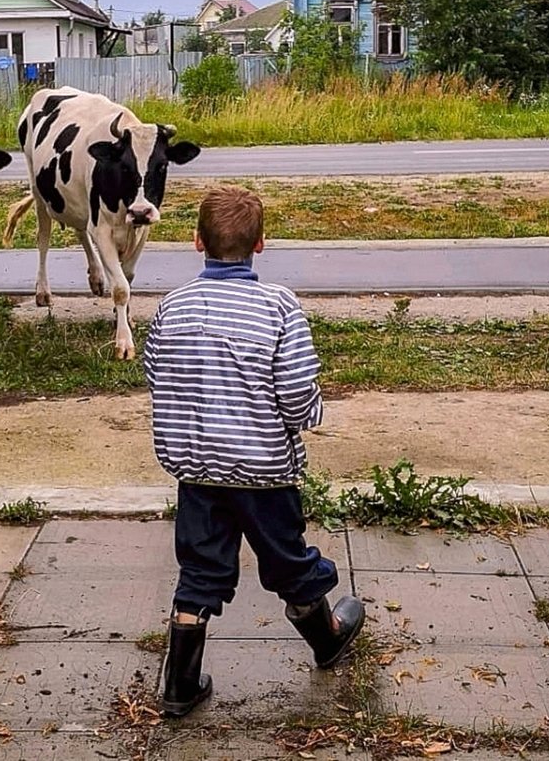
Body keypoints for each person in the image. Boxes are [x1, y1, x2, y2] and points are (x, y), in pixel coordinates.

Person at [143, 184, 365, 718]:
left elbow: (158, 376)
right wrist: (307, 415)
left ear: (196, 241)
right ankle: (326, 636)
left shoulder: (173, 307)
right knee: (287, 560)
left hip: (198, 470)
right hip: (264, 472)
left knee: (199, 569)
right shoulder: (278, 307)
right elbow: (294, 391)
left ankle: (179, 683)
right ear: (261, 244)